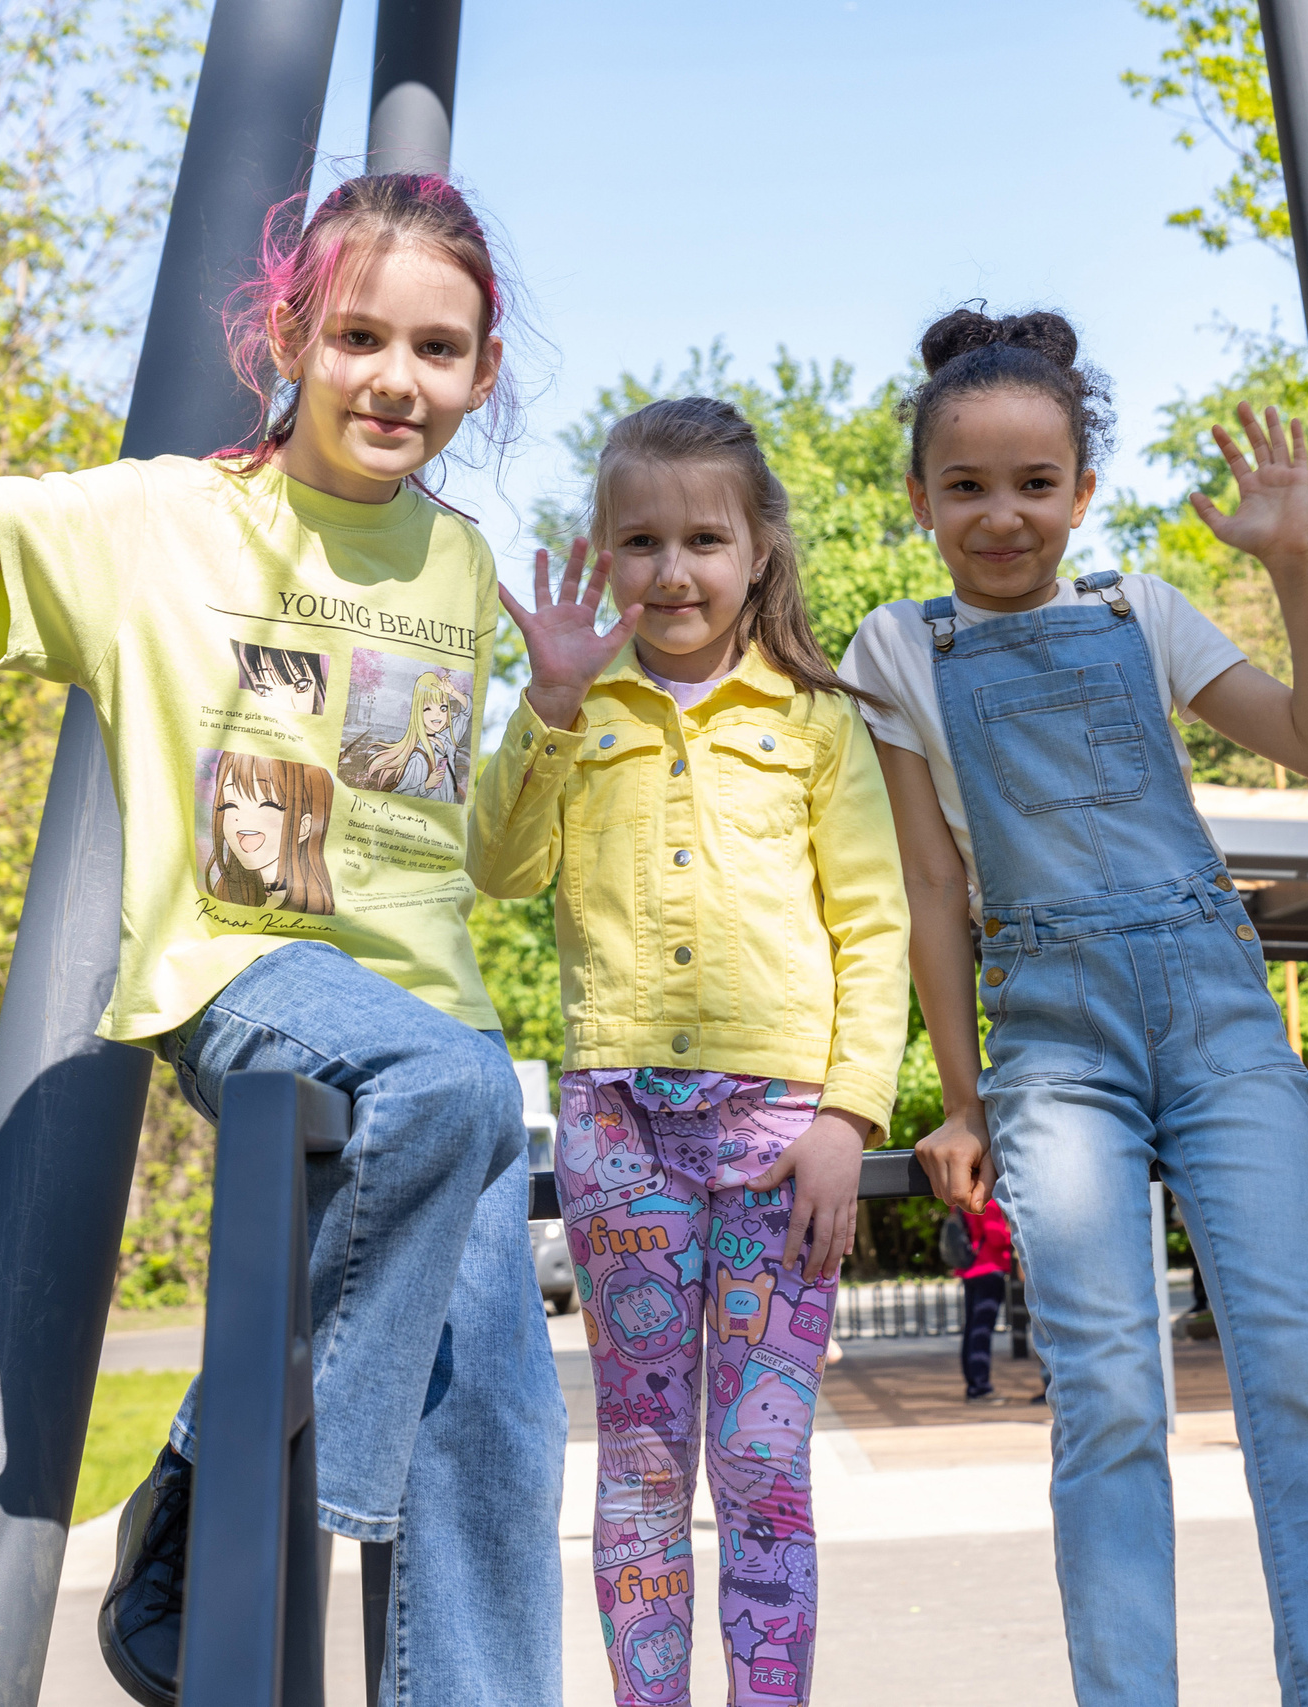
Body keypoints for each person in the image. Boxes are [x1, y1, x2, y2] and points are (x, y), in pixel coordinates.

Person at [0, 134, 566, 1706]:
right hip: (248, 971)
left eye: (438, 347)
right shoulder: (165, 521)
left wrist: (553, 714)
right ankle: (214, 1473)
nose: (395, 375)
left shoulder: (465, 563)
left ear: (481, 378)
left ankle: (270, 1518)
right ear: (288, 338)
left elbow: (476, 856)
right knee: (460, 1089)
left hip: (439, 1014)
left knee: (499, 1434)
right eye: (358, 335)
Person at [845, 306, 1308, 1706]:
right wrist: (960, 1097)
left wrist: (1294, 566)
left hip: (1216, 1016)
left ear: (1083, 491)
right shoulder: (897, 648)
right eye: (966, 485)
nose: (1003, 515)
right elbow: (929, 886)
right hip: (1051, 1036)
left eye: (1036, 483)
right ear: (919, 498)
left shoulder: (1138, 608)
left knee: (1298, 1383)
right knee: (1105, 1401)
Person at [473, 396, 910, 1707]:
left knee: (765, 1464)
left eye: (704, 538)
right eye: (641, 540)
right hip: (618, 1123)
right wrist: (545, 711)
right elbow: (498, 869)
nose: (674, 570)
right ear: (601, 552)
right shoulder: (574, 702)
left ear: (759, 546)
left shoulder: (819, 716)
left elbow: (875, 921)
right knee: (646, 1459)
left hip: (785, 1135)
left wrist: (851, 1114)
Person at [954, 1199, 1016, 1402]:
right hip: (989, 1269)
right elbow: (996, 1237)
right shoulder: (988, 1202)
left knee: (972, 1328)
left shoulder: (961, 1201)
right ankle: (980, 1388)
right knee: (981, 1331)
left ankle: (973, 1384)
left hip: (970, 1269)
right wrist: (1015, 1232)